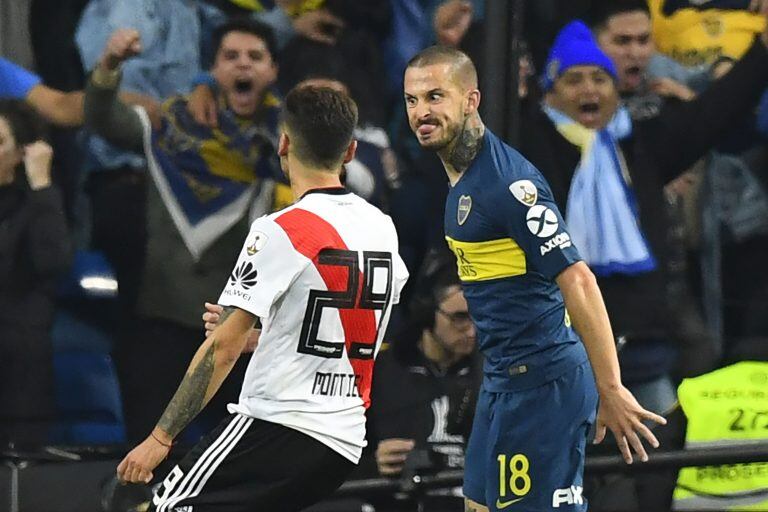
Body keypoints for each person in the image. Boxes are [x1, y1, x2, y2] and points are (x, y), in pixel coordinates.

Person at [116, 84, 409, 512]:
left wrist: (160, 439)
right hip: (344, 438)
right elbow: (365, 323)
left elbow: (223, 347)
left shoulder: (282, 228)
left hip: (281, 422)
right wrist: (268, 336)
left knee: (165, 506)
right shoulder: (381, 226)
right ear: (350, 152)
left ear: (284, 143)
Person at [403, 45, 666, 512]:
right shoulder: (457, 179)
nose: (422, 112)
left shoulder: (509, 185)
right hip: (503, 382)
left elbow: (579, 279)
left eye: (435, 96)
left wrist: (610, 386)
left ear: (471, 100)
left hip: (543, 384)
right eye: (412, 100)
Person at [83, 18, 282, 444]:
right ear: (213, 68)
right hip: (163, 319)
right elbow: (101, 117)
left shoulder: (283, 141)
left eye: (255, 57)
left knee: (244, 457)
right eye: (231, 57)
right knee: (147, 446)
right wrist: (109, 65)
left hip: (241, 329)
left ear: (273, 72)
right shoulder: (170, 126)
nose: (243, 66)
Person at [366, 250, 480, 512]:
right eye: (460, 317)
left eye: (477, 316)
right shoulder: (382, 371)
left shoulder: (491, 373)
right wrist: (374, 465)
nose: (471, 330)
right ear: (427, 312)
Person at [0, 100, 72, 448]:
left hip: (18, 376)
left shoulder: (37, 207)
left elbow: (54, 260)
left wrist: (42, 184)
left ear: (21, 153)